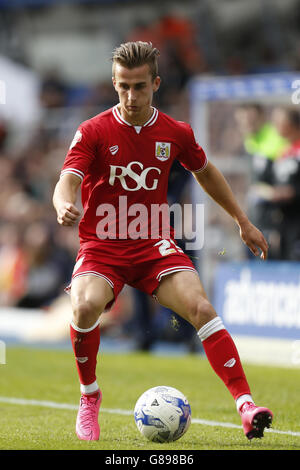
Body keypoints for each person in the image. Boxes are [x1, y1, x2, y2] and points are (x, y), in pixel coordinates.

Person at [53, 41, 272, 442]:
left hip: (154, 243)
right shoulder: (93, 130)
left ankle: (245, 405)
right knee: (84, 307)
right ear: (114, 84)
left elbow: (206, 172)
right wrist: (64, 204)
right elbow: (67, 180)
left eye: (139, 87)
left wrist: (242, 220)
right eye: (123, 87)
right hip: (103, 245)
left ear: (156, 84)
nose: (131, 96)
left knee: (202, 308)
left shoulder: (175, 132)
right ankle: (89, 396)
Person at [270, 106, 300, 260]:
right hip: (285, 223)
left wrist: (293, 192)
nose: (275, 125)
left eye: (279, 121)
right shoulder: (282, 152)